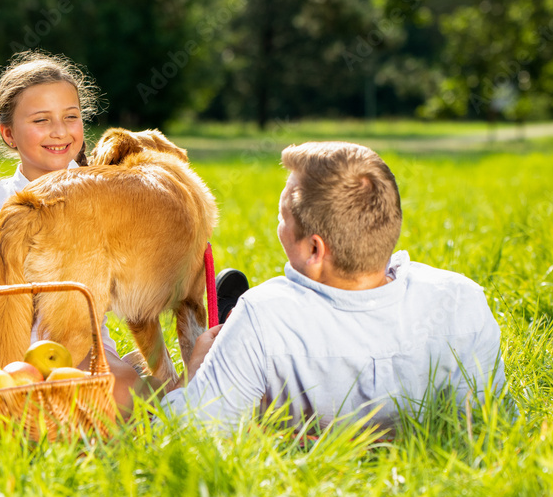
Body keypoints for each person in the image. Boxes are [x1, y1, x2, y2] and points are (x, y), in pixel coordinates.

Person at [162, 142, 506, 433]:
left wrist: (196, 373)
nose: (278, 226)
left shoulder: (262, 315)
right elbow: (490, 423)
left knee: (127, 374)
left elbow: (192, 432)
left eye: (283, 218)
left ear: (315, 250)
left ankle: (231, 351)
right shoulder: (461, 299)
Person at [0, 51, 145, 408]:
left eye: (70, 117)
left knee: (124, 391)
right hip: (6, 356)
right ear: (9, 135)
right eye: (41, 120)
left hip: (87, 347)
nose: (60, 131)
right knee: (19, 402)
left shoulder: (105, 196)